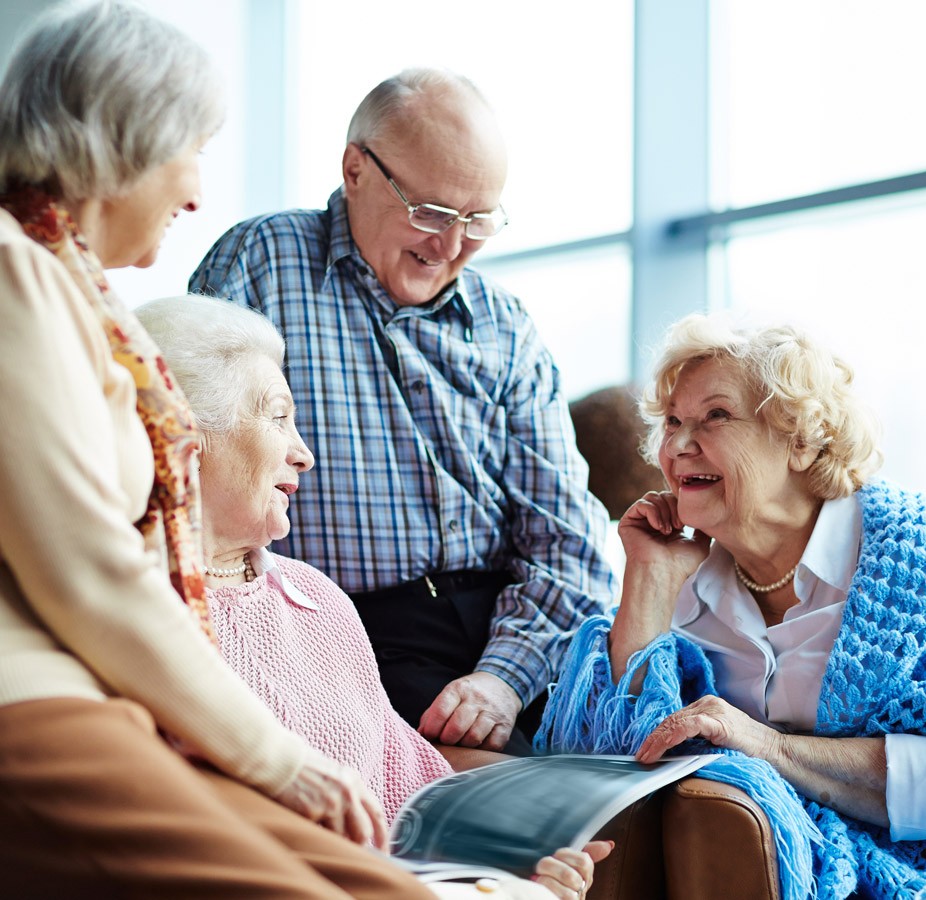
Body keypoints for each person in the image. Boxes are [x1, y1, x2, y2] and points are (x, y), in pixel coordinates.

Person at [0, 2, 445, 897]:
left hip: (98, 701)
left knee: (397, 889)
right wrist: (275, 758)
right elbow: (88, 570)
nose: (198, 190)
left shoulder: (69, 288)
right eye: (189, 149)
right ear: (121, 140)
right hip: (31, 701)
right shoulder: (15, 273)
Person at [536, 313, 926, 899]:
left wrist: (774, 749)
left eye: (715, 416)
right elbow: (608, 770)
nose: (678, 444)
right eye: (672, 421)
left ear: (801, 441)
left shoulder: (922, 547)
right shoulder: (681, 569)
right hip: (859, 847)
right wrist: (647, 583)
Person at [189, 68, 617, 756]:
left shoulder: (504, 324)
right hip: (342, 630)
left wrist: (502, 681)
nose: (451, 246)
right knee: (510, 807)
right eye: (433, 212)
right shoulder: (264, 259)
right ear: (355, 169)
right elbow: (199, 465)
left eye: (477, 220)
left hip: (513, 630)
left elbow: (571, 542)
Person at [136, 294, 611, 900]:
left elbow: (407, 782)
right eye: (278, 418)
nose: (304, 454)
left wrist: (508, 854)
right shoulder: (128, 613)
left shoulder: (317, 600)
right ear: (185, 433)